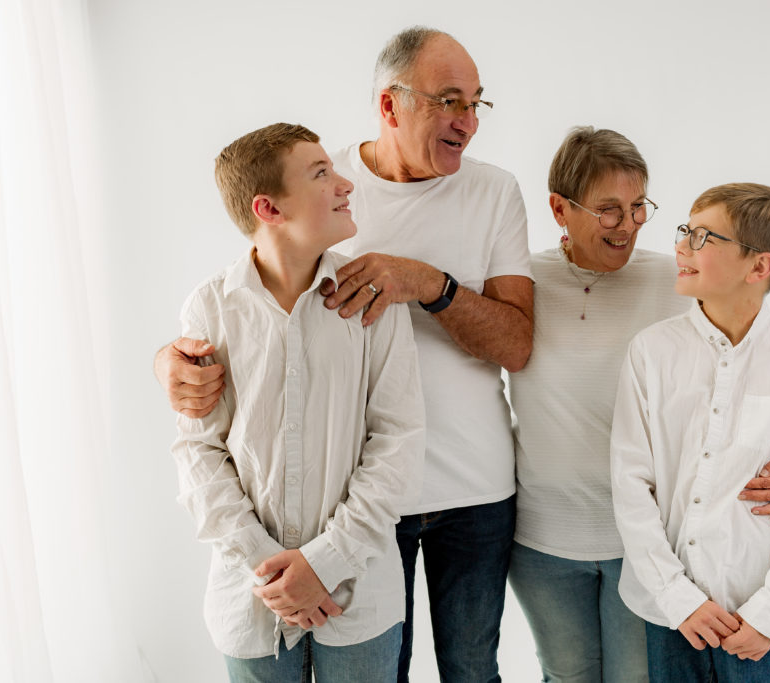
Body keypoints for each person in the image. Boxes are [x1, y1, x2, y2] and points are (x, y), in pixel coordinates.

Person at [155, 27, 533, 683]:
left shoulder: (494, 192)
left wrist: (428, 284)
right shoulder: (322, 187)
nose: (468, 123)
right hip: (349, 506)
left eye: (477, 104)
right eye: (449, 102)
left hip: (470, 489)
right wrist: (170, 360)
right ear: (391, 106)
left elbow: (518, 344)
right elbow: (244, 312)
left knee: (471, 668)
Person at [507, 128, 770, 682]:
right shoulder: (523, 279)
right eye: (609, 210)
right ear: (559, 209)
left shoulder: (678, 279)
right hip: (542, 539)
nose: (630, 225)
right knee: (564, 675)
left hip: (649, 544)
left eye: (639, 206)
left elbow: (756, 361)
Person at [170, 122, 425, 682]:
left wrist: (323, 564)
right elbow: (199, 455)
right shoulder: (210, 309)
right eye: (321, 173)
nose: (345, 184)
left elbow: (398, 441)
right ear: (269, 208)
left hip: (360, 603)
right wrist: (272, 573)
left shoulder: (371, 299)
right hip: (250, 606)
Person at [611, 183, 770, 683]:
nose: (681, 247)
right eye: (684, 233)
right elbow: (630, 484)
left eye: (702, 238)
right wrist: (677, 597)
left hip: (756, 616)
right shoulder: (651, 352)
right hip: (671, 614)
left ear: (758, 267)